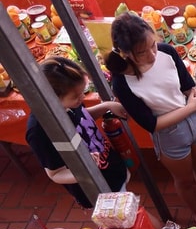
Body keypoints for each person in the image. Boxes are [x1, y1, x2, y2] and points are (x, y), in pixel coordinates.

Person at [105, 12, 196, 229]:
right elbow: (152, 125)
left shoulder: (167, 52)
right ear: (125, 53)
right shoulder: (122, 82)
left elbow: (190, 90)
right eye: (142, 52)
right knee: (184, 180)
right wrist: (189, 108)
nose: (152, 54)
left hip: (194, 121)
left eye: (153, 45)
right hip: (169, 134)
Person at [26, 57, 129, 208]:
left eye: (82, 92)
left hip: (111, 170)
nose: (82, 97)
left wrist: (106, 106)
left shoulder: (70, 103)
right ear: (52, 97)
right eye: (76, 96)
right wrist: (87, 168)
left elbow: (81, 117)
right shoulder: (38, 131)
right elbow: (55, 174)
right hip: (97, 190)